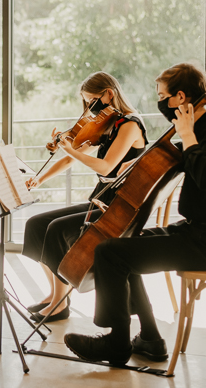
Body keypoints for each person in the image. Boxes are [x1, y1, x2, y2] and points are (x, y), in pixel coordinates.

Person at [63, 62, 206, 365]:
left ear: (180, 98)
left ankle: (117, 342)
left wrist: (186, 134)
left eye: (163, 95)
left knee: (111, 253)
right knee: (125, 246)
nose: (160, 101)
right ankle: (150, 338)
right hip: (194, 232)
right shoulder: (200, 131)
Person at [22, 72, 148, 322]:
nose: (90, 108)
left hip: (118, 205)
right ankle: (57, 294)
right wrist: (40, 178)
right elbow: (70, 158)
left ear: (108, 94)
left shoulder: (130, 125)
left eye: (91, 100)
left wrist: (72, 149)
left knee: (56, 230)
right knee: (35, 225)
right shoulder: (107, 123)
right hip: (99, 197)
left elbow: (106, 167)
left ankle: (60, 303)